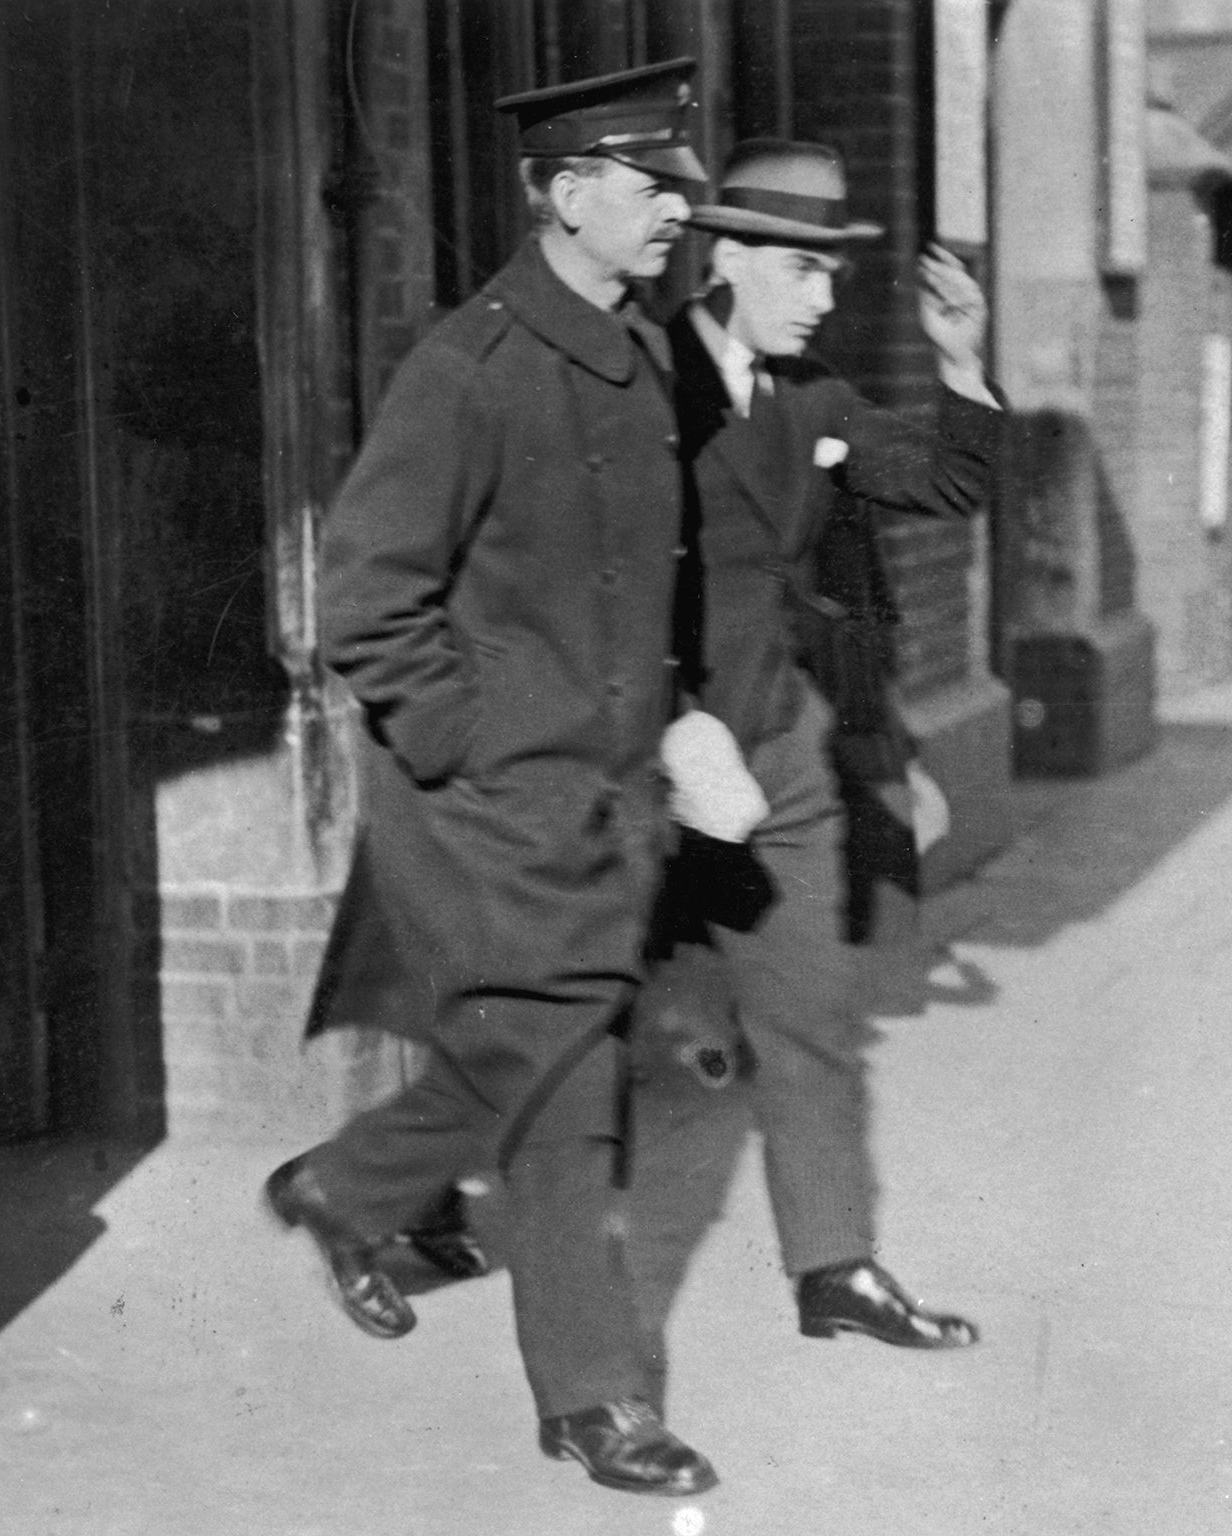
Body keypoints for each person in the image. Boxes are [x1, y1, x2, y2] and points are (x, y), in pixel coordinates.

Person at [266, 61, 727, 1497]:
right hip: (494, 812)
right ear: (567, 191)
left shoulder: (642, 351)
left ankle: (347, 1190)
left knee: (540, 1061)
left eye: (682, 184)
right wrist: (485, 745)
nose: (679, 210)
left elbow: (645, 581)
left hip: (602, 801)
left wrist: (673, 723)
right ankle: (595, 1403)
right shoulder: (466, 367)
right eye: (654, 184)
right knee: (568, 1082)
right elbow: (365, 603)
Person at [621, 139, 1002, 1424]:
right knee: (554, 1018)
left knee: (809, 1017)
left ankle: (832, 1265)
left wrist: (959, 365)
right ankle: (378, 1192)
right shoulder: (627, 377)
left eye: (835, 273)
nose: (825, 296)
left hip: (775, 750)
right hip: (642, 749)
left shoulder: (813, 393)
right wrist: (667, 729)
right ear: (722, 260)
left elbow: (944, 479)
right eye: (801, 269)